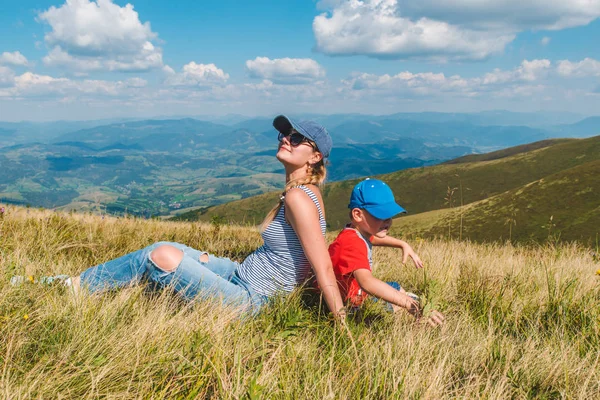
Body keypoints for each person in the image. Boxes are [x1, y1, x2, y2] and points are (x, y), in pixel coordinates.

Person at [14, 115, 347, 318]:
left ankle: (71, 288)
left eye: (297, 138)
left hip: (252, 301)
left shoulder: (299, 198)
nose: (285, 139)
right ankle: (73, 286)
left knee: (161, 257)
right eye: (285, 135)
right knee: (164, 244)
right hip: (239, 276)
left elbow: (322, 268)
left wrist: (343, 330)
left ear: (316, 156)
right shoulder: (304, 193)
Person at [328, 178, 445, 326]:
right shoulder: (352, 243)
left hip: (356, 295)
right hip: (352, 305)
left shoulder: (355, 232)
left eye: (389, 216)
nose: (388, 222)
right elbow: (367, 282)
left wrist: (402, 244)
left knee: (396, 288)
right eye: (380, 216)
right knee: (404, 305)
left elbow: (372, 239)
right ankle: (418, 324)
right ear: (357, 214)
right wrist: (408, 304)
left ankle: (416, 310)